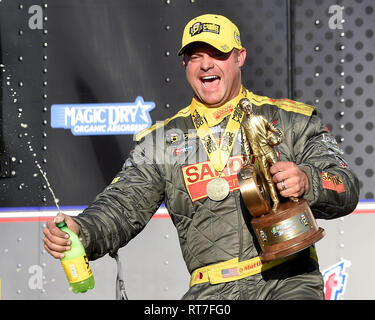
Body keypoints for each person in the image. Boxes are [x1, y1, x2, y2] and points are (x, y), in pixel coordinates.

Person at [43, 13, 359, 300]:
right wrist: (83, 231)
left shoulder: (292, 121)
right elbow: (122, 205)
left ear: (240, 58)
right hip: (211, 290)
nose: (206, 65)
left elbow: (345, 185)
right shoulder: (160, 143)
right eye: (195, 57)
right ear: (185, 66)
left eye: (218, 53)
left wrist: (308, 180)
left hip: (288, 279)